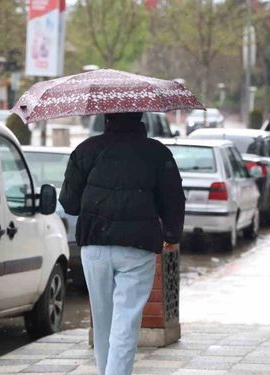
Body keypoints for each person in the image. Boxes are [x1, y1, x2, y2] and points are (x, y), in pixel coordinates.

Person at [59, 112, 185, 375]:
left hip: (95, 245)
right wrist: (172, 235)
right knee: (125, 324)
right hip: (137, 248)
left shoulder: (86, 150)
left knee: (103, 322)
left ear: (107, 118)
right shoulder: (157, 153)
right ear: (141, 118)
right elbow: (173, 199)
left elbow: (69, 204)